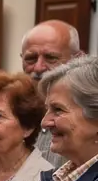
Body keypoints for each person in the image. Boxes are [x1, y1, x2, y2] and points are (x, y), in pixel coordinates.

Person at [20, 20, 85, 167]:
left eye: (51, 58)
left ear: (78, 59)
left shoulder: (90, 115)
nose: (38, 67)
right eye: (30, 58)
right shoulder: (8, 111)